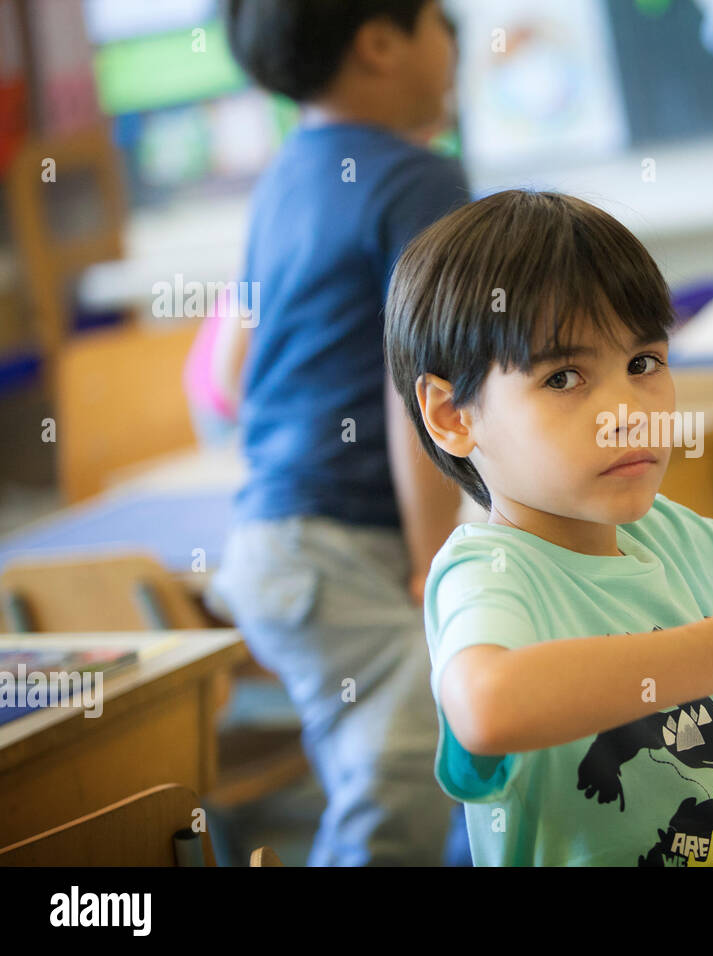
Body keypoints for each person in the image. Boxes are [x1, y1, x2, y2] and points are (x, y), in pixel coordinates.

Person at [383, 189, 713, 865]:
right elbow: (487, 707)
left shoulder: (668, 535)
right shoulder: (487, 574)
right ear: (455, 414)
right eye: (565, 376)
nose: (628, 411)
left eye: (642, 364)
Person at [207, 0, 470, 865]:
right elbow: (417, 390)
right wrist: (435, 558)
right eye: (442, 18)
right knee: (405, 778)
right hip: (340, 548)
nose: (456, 40)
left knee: (437, 766)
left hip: (274, 542)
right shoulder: (418, 178)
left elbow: (226, 378)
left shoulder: (285, 176)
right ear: (381, 42)